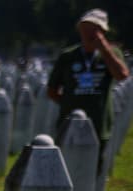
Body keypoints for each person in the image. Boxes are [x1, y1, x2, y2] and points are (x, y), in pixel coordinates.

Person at [47, 9, 129, 174]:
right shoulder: (68, 56)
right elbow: (52, 89)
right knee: (64, 168)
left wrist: (104, 48)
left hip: (99, 123)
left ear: (103, 31)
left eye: (94, 29)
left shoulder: (111, 54)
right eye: (85, 28)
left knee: (92, 172)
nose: (89, 33)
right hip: (69, 121)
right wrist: (69, 102)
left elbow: (122, 75)